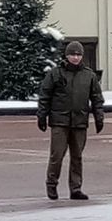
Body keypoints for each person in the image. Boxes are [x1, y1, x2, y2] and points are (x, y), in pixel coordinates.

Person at [37, 41, 105, 200]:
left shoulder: (89, 75)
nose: (75, 57)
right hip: (60, 121)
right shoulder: (55, 73)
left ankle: (76, 188)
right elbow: (45, 96)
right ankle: (51, 184)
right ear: (66, 56)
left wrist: (99, 117)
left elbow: (96, 98)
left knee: (77, 157)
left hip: (79, 121)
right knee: (57, 155)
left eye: (78, 54)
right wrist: (42, 116)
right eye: (72, 54)